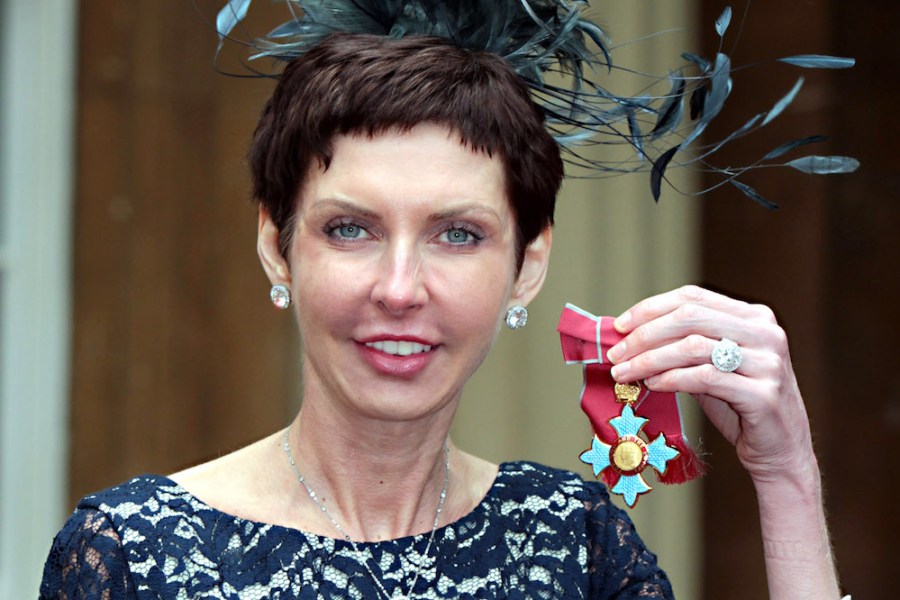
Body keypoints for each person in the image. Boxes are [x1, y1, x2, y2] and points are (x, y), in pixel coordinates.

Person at [40, 2, 849, 598]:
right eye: (350, 229)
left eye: (457, 234)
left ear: (527, 267)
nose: (398, 289)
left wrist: (786, 476)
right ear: (274, 244)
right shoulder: (130, 554)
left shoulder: (576, 546)